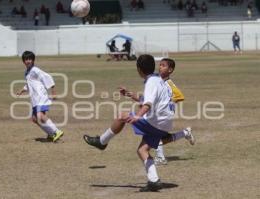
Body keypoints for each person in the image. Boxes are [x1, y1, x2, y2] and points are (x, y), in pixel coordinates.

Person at [83, 54, 195, 192]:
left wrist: (137, 116)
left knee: (122, 116)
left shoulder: (151, 82)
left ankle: (102, 141)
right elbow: (146, 99)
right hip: (165, 123)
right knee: (142, 150)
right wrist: (130, 94)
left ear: (139, 70)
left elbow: (147, 104)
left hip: (156, 121)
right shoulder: (159, 80)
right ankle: (154, 180)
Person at [119, 58, 190, 166]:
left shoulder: (168, 84)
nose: (160, 67)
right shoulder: (156, 80)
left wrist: (166, 104)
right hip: (155, 116)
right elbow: (144, 98)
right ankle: (184, 133)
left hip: (161, 116)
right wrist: (128, 94)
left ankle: (161, 157)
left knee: (159, 137)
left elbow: (179, 96)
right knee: (160, 138)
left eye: (163, 65)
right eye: (160, 65)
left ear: (170, 70)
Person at [16, 51, 64, 142]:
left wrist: (53, 91)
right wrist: (22, 90)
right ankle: (51, 134)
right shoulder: (27, 72)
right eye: (26, 59)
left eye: (30, 59)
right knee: (35, 119)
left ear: (33, 60)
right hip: (35, 98)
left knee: (40, 115)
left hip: (40, 96)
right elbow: (29, 83)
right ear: (23, 61)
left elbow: (47, 77)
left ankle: (56, 131)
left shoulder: (35, 70)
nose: (28, 61)